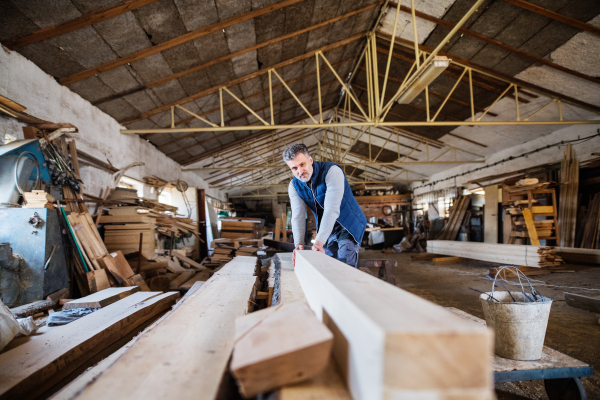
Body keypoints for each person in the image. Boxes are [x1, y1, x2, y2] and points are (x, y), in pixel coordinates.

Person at [283, 143, 367, 267]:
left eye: (302, 164)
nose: (300, 171)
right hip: (328, 226)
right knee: (328, 264)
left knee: (344, 261)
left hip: (348, 224)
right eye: (294, 168)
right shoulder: (294, 186)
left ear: (310, 160)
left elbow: (331, 209)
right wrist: (298, 244)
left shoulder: (332, 172)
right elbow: (298, 216)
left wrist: (319, 241)